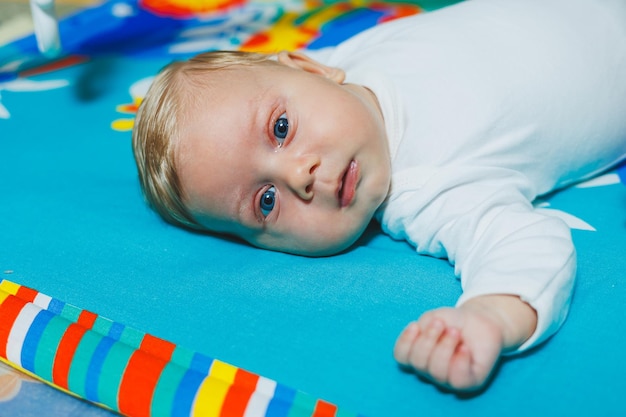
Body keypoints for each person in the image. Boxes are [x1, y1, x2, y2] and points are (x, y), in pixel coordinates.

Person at [132, 0, 626, 392]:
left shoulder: (345, 63)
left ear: (311, 67)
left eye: (280, 128)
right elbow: (524, 245)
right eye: (265, 202)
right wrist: (489, 317)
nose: (298, 175)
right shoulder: (428, 189)